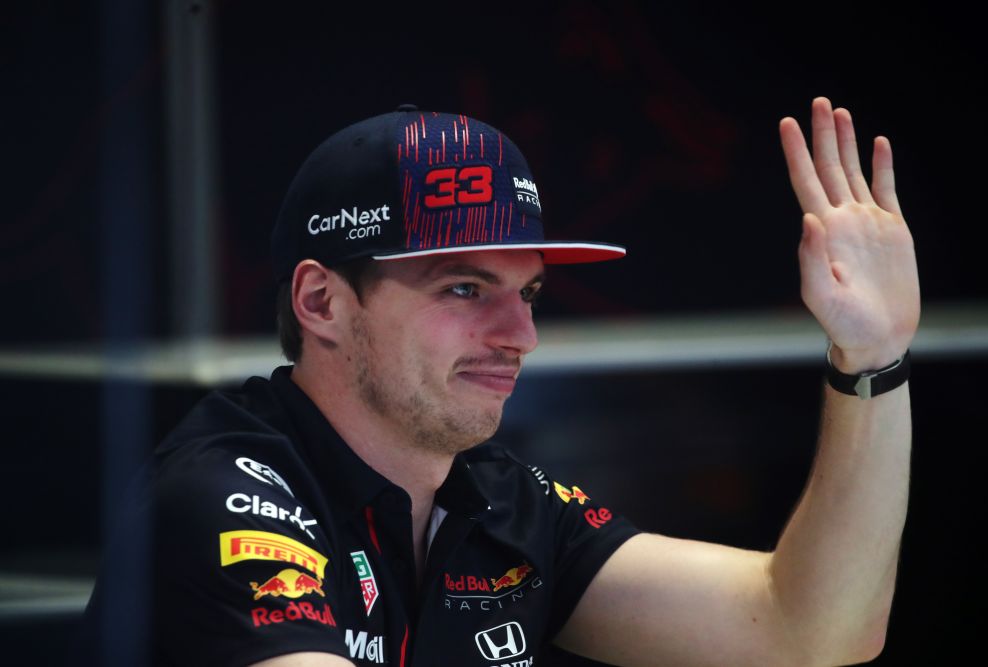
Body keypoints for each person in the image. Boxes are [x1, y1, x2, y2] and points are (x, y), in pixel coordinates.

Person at [78, 98, 919, 667]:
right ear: (321, 301)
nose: (520, 335)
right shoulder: (225, 491)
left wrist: (872, 361)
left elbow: (809, 629)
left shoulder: (499, 500)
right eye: (464, 288)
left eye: (529, 293)